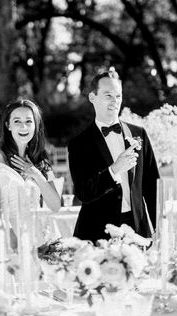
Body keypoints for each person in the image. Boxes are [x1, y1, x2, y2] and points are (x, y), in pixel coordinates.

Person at [68, 68, 160, 244]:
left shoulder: (138, 133)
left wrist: (158, 227)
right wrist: (114, 170)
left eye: (118, 96)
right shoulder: (79, 144)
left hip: (137, 231)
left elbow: (152, 185)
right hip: (96, 233)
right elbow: (83, 193)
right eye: (108, 95)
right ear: (92, 97)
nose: (115, 101)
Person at [0, 99, 61, 272]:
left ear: (36, 125)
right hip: (5, 236)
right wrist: (17, 245)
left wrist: (36, 174)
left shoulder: (42, 161)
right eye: (17, 121)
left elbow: (55, 205)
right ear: (8, 125)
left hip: (36, 236)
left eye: (29, 121)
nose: (24, 127)